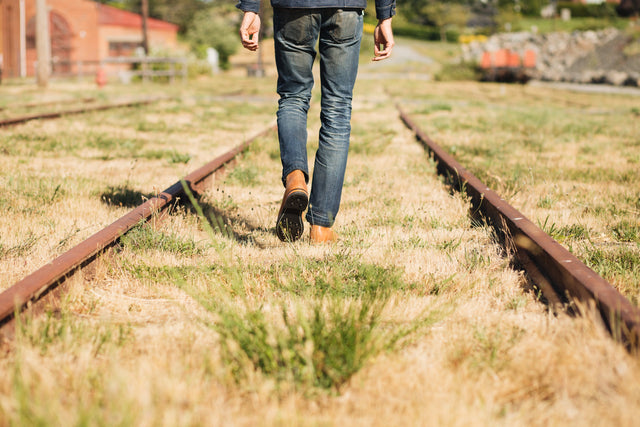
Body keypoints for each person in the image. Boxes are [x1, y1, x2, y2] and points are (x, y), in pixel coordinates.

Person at [237, 0, 395, 243]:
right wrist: (385, 16)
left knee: (293, 97)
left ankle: (295, 178)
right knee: (338, 109)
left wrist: (250, 8)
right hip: (346, 8)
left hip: (293, 8)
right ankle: (321, 226)